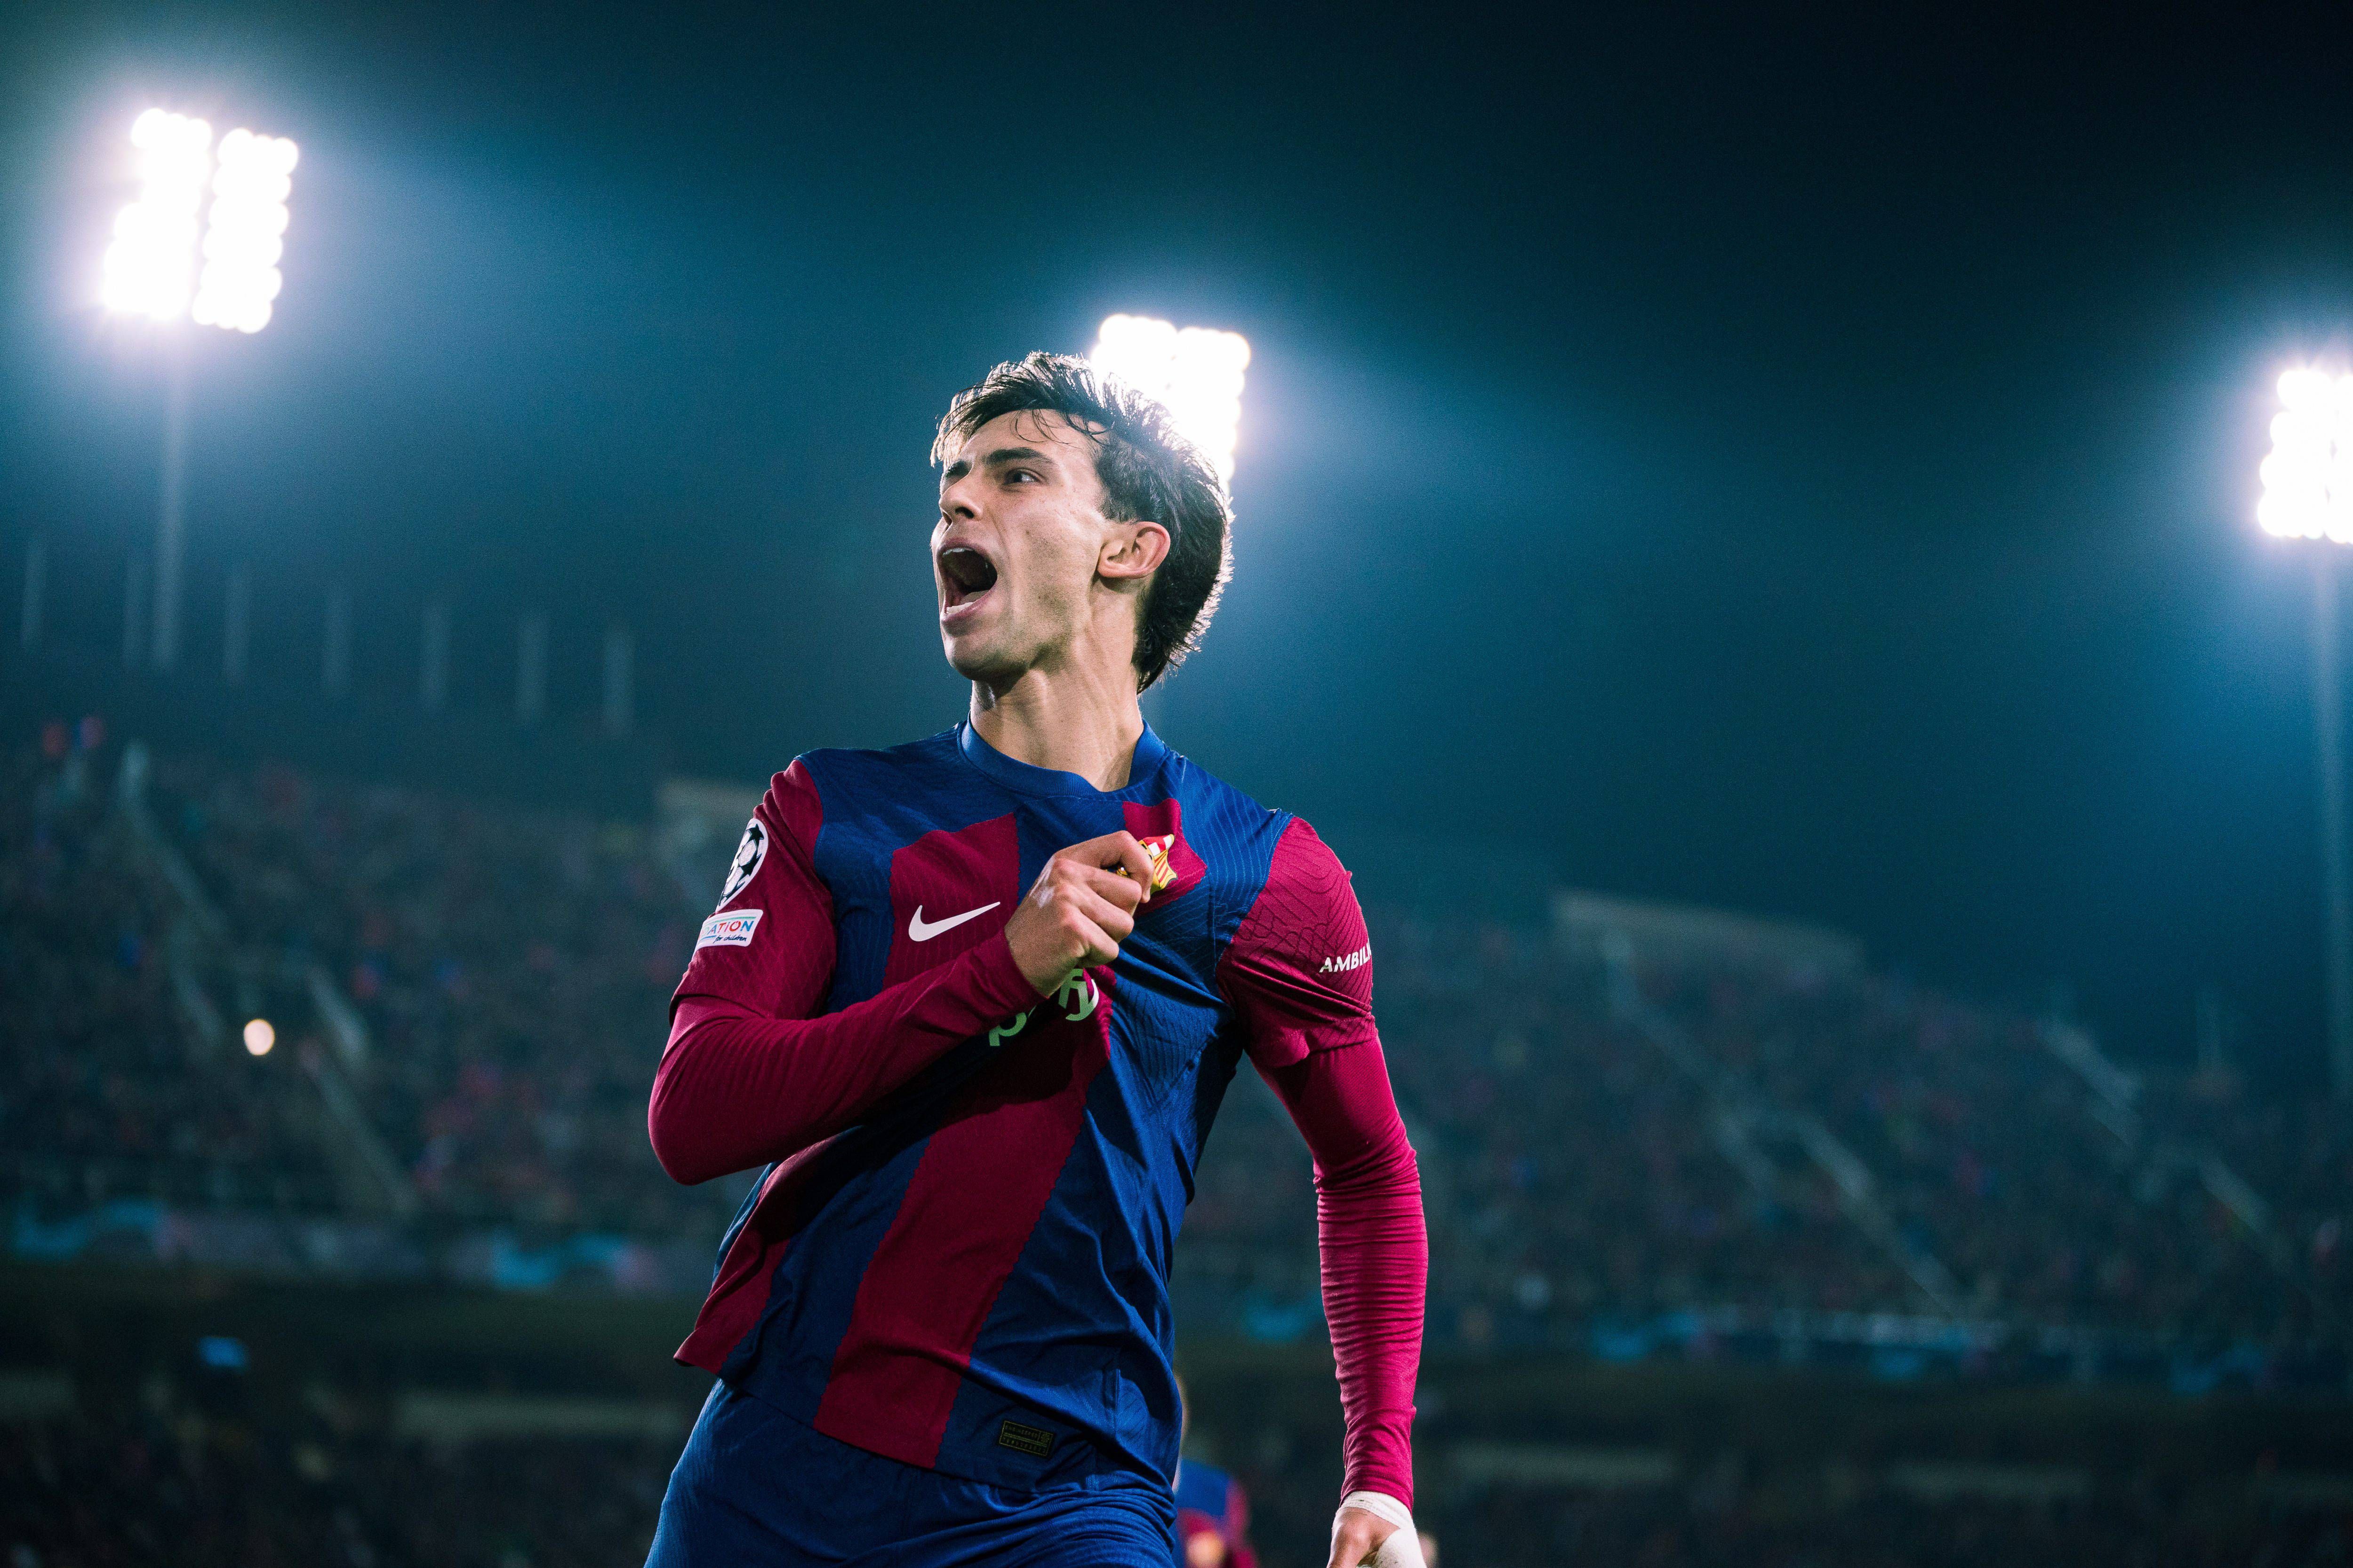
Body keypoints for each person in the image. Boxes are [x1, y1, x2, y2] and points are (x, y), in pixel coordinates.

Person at [644, 352, 1427, 1568]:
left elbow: (1369, 1165)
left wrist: (1379, 1473)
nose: (958, 505)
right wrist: (1000, 971)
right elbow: (692, 1117)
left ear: (1129, 549)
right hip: (774, 1473)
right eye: (951, 483)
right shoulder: (832, 806)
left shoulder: (1262, 872)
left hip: (1063, 1503)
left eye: (1014, 476)